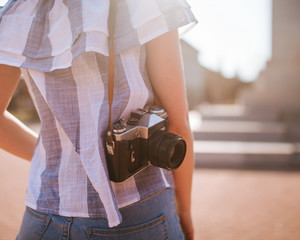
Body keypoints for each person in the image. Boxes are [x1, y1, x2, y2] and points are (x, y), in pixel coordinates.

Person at [0, 0, 197, 239]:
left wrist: (58, 155)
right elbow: (178, 125)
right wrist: (184, 211)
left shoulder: (18, 13)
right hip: (139, 211)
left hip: (44, 213)